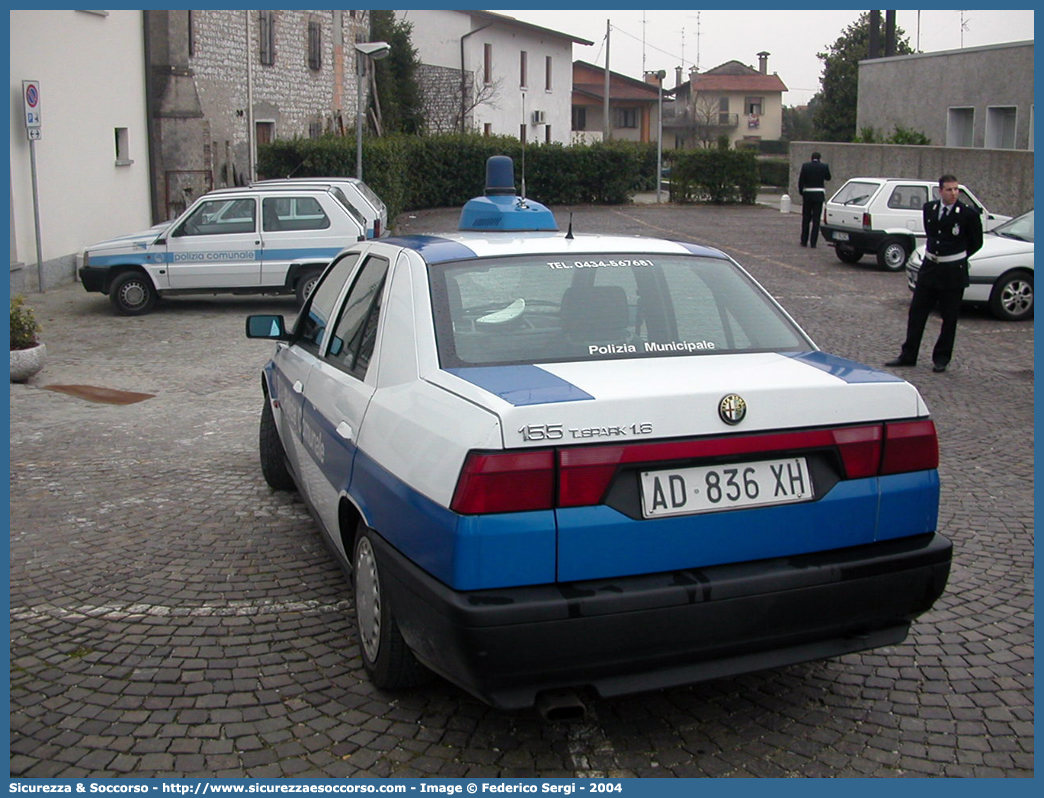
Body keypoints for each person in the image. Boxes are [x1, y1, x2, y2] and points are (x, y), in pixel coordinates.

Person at [886, 174, 983, 373]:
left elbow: (976, 242)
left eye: (956, 189)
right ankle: (908, 354)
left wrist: (956, 257)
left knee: (949, 318)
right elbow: (932, 235)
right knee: (917, 313)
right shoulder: (930, 209)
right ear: (940, 191)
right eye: (949, 189)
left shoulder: (967, 214)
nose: (954, 193)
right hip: (930, 268)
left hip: (952, 272)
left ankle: (941, 358)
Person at [798, 152, 831, 247]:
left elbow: (801, 180)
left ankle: (804, 241)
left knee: (806, 218)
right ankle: (813, 242)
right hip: (819, 194)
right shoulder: (824, 166)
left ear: (811, 158)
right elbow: (828, 178)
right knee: (816, 220)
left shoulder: (805, 166)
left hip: (808, 194)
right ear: (820, 158)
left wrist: (801, 191)